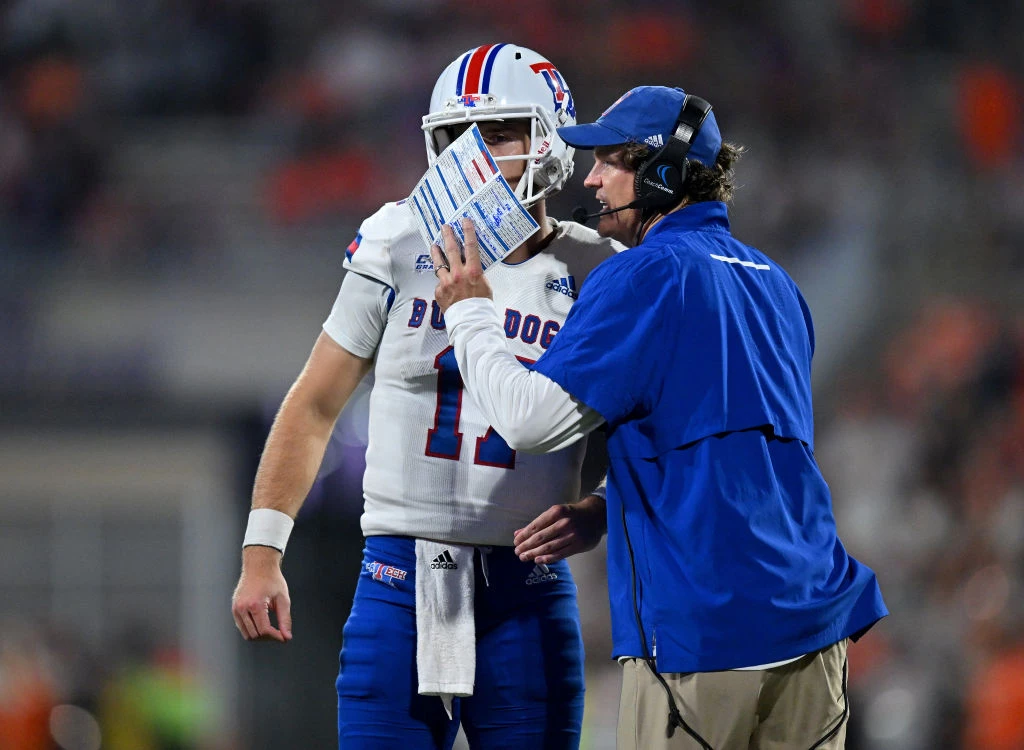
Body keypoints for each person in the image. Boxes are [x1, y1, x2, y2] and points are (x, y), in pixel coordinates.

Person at [431, 85, 889, 749]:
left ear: (663, 172)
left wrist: (469, 311)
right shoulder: (778, 284)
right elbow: (744, 451)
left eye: (609, 160)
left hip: (704, 635)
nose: (590, 177)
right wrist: (609, 505)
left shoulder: (644, 273)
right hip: (813, 632)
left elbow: (528, 422)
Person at [230, 44, 623, 749]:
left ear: (552, 140)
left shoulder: (598, 268)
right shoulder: (396, 239)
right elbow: (317, 402)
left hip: (527, 590)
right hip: (397, 583)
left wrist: (602, 508)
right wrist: (263, 552)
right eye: (458, 135)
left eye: (501, 131)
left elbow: (645, 435)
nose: (476, 152)